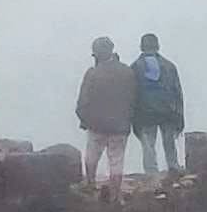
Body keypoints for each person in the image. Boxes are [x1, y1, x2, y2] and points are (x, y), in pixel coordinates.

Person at [71, 36, 135, 194]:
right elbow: (133, 98)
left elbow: (82, 101)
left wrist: (85, 120)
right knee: (116, 159)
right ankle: (115, 192)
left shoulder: (93, 73)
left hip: (96, 125)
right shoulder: (127, 72)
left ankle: (91, 184)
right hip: (120, 125)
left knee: (91, 157)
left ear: (97, 54)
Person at [129, 32, 186, 178]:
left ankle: (151, 172)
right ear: (158, 46)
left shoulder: (135, 67)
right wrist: (180, 115)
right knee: (169, 141)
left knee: (148, 144)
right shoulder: (169, 66)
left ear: (141, 47)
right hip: (168, 111)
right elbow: (177, 92)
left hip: (145, 112)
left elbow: (131, 94)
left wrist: (132, 116)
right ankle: (173, 166)